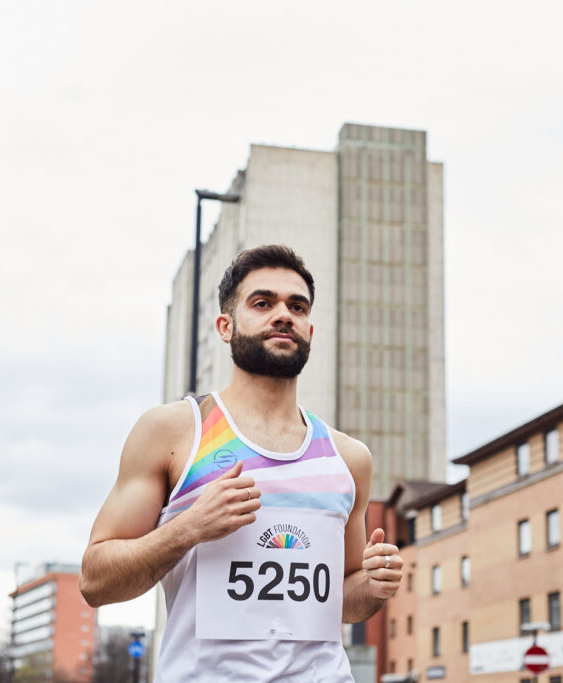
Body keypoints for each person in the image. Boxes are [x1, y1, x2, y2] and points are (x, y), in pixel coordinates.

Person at [79, 244, 403, 682]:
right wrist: (188, 528)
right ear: (225, 326)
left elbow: (342, 602)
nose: (283, 314)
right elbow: (96, 582)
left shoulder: (348, 458)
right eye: (263, 303)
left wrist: (374, 586)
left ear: (310, 330)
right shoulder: (175, 433)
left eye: (297, 305)